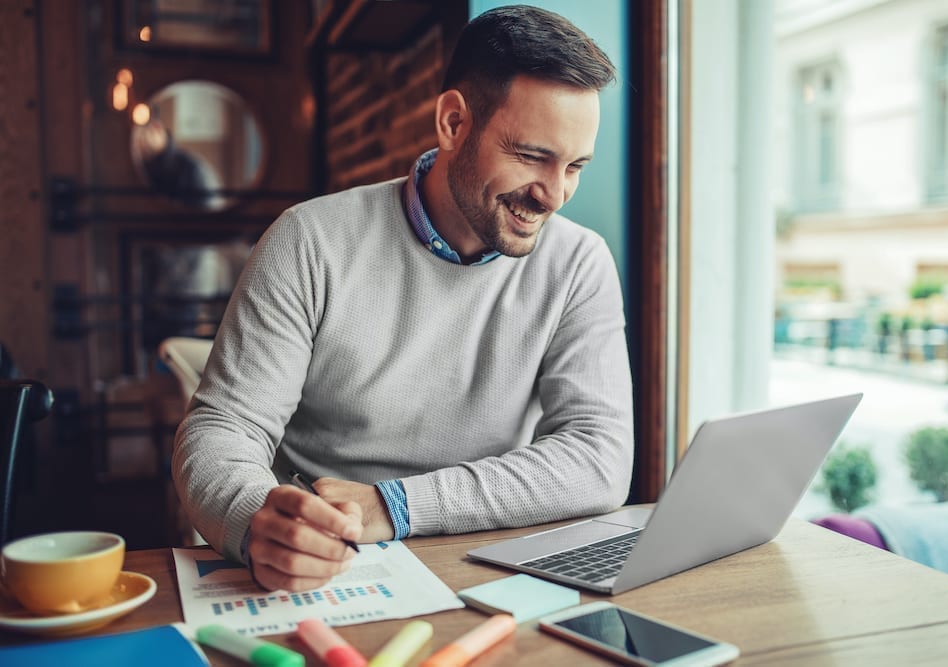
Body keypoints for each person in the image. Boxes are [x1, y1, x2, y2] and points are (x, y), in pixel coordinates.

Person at [172, 5, 633, 593]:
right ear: (452, 122)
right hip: (329, 566)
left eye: (575, 166)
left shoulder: (579, 263)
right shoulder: (309, 239)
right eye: (532, 156)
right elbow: (222, 426)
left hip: (490, 563)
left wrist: (393, 505)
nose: (555, 195)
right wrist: (256, 519)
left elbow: (599, 457)